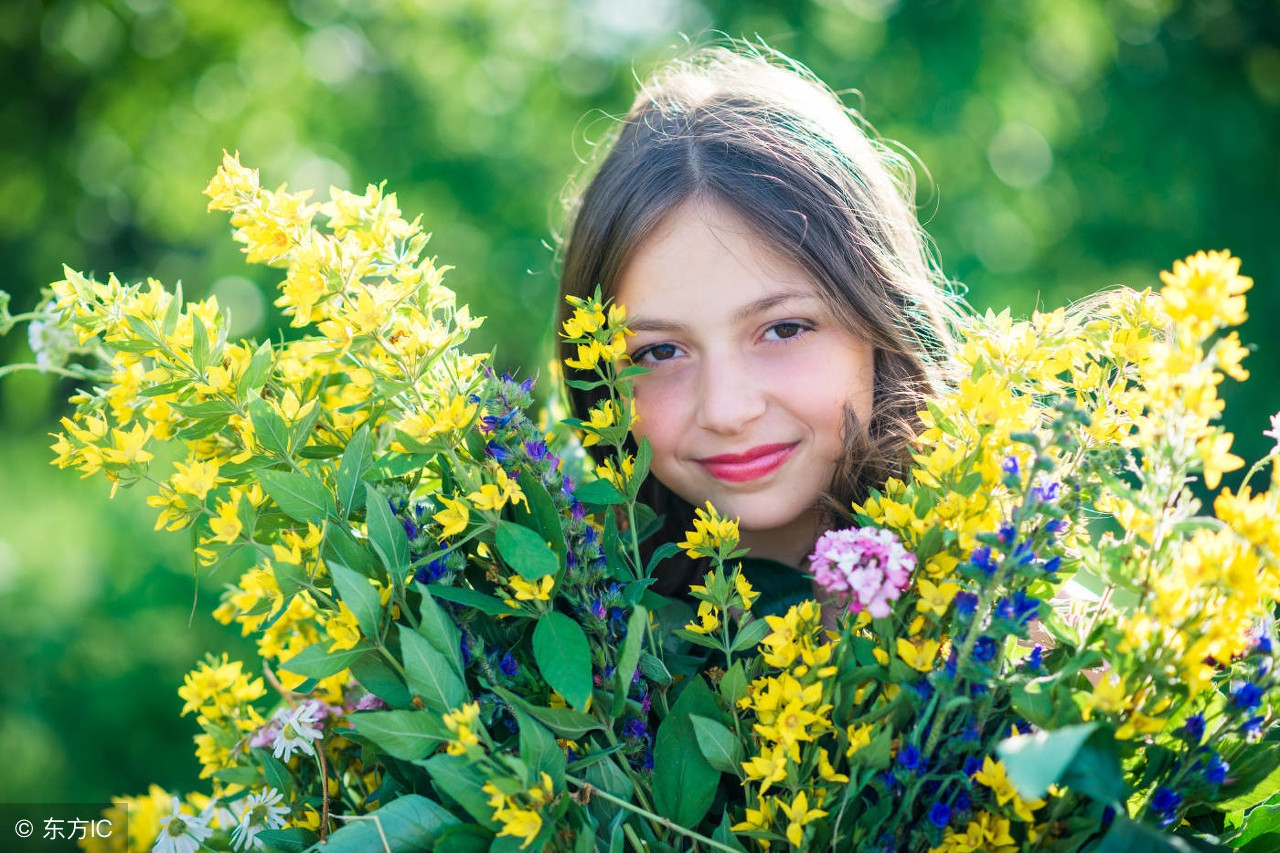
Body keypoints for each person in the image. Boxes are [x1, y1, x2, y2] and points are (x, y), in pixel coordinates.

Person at [557, 43, 964, 597]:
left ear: (879, 313)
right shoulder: (567, 622)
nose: (728, 411)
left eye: (784, 329)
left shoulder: (1040, 640)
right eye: (659, 352)